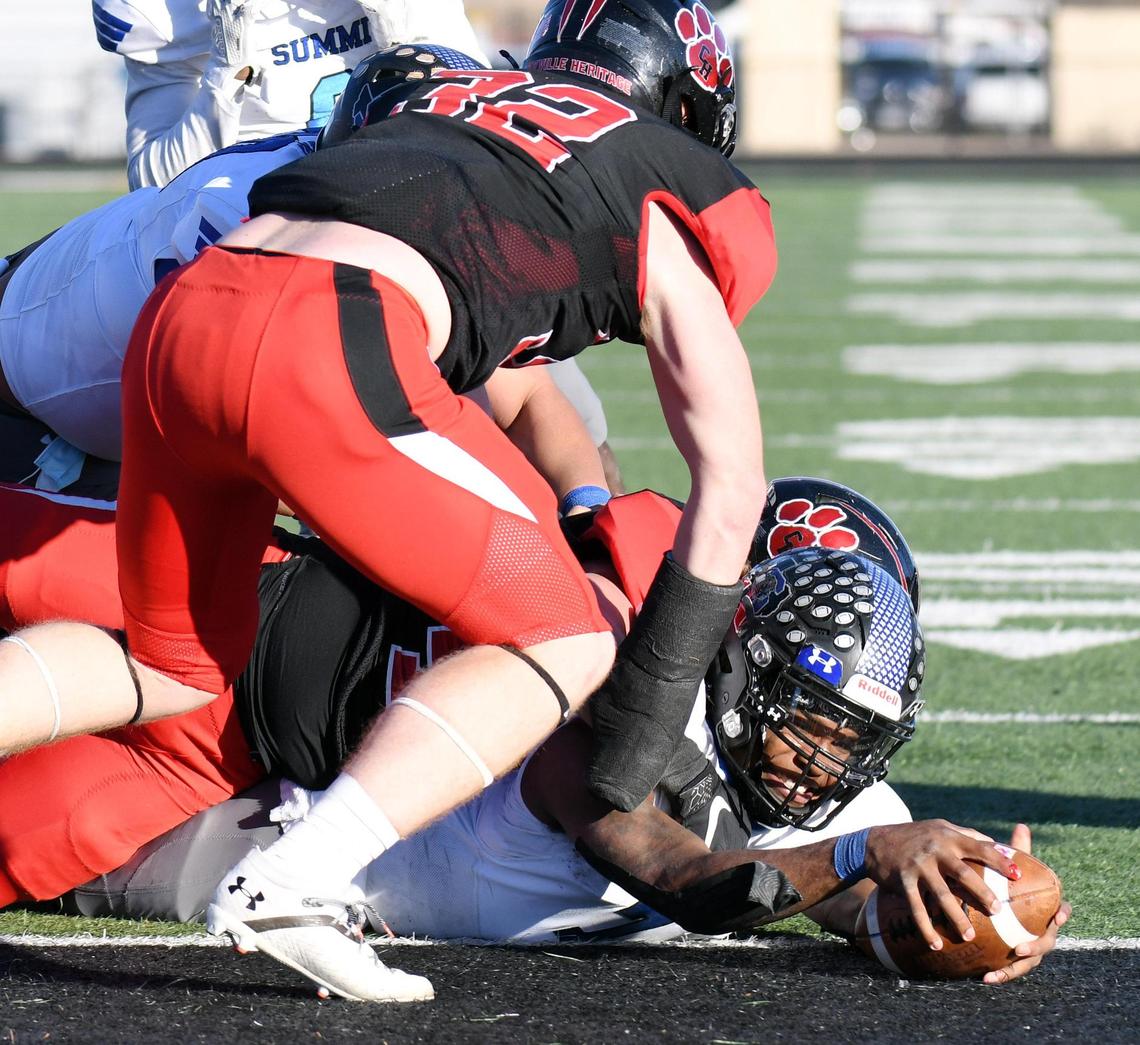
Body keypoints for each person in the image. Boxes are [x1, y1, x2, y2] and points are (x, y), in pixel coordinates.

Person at [0, 0, 773, 1001]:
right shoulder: (679, 188)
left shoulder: (446, 89)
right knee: (567, 632)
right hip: (319, 330)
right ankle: (298, 880)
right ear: (687, 119)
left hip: (185, 307)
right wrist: (627, 754)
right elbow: (732, 487)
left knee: (170, 663)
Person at [0, 484, 1064, 989]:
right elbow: (690, 880)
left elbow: (862, 904)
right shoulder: (630, 699)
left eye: (853, 739)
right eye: (811, 721)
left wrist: (976, 918)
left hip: (234, 780)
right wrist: (863, 853)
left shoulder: (846, 805)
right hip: (263, 816)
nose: (822, 762)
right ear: (739, 666)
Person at [0, 46, 605, 509]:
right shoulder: (263, 227)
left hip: (108, 388)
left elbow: (530, 396)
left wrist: (589, 511)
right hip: (29, 412)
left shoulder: (362, 199)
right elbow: (296, 458)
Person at [93, 0, 488, 188]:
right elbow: (153, 184)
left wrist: (398, 26)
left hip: (395, 186)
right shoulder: (164, 13)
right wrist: (227, 71)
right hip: (251, 210)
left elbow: (479, 120)